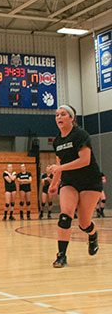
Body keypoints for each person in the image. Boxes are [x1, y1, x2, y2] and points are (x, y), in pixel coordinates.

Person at [49, 104, 101, 268]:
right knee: (65, 216)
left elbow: (84, 161)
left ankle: (92, 235)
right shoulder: (57, 141)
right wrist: (53, 183)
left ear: (71, 118)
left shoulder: (80, 135)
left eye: (63, 114)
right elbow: (59, 163)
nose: (59, 117)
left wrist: (60, 169)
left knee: (84, 223)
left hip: (89, 181)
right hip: (69, 182)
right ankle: (61, 256)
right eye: (57, 115)